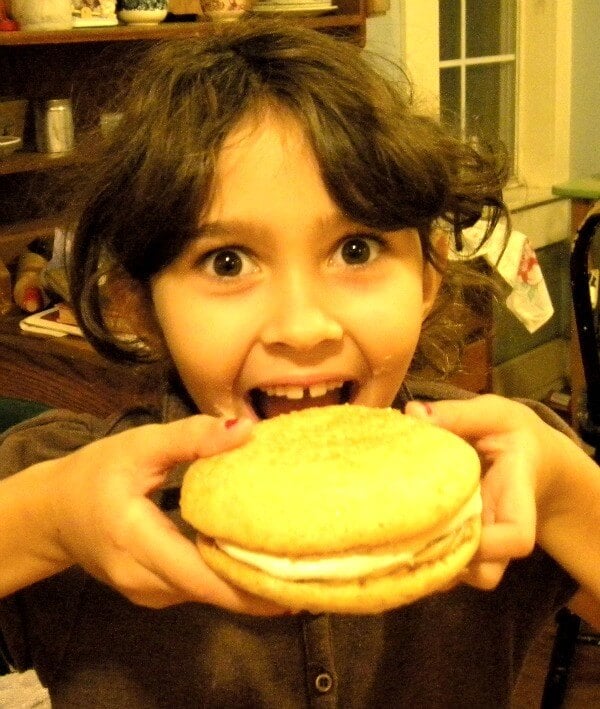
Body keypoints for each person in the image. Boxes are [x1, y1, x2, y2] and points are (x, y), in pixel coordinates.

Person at [0, 19, 599, 707]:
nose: (302, 326)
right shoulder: (58, 485)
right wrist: (43, 520)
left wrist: (562, 494)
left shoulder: (504, 475)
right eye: (227, 261)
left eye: (357, 250)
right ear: (138, 306)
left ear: (430, 274)